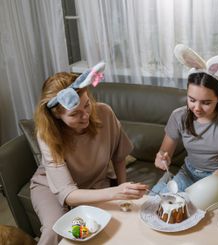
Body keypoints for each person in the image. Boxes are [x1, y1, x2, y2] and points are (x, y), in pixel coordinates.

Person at [30, 62, 148, 245]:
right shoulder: (47, 134)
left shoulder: (104, 113)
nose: (85, 116)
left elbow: (119, 155)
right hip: (51, 187)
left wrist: (124, 190)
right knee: (55, 229)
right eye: (75, 114)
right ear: (56, 115)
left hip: (95, 182)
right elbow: (68, 194)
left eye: (87, 105)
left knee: (111, 228)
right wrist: (116, 192)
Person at [151, 44, 218, 205]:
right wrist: (161, 158)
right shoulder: (178, 116)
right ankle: (168, 185)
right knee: (160, 204)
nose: (197, 108)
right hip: (188, 174)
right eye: (192, 100)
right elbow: (163, 152)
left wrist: (213, 179)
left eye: (206, 102)